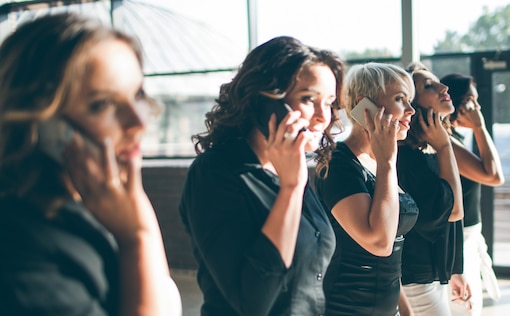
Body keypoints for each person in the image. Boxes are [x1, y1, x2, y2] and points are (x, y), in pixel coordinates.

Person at [0, 13, 181, 315]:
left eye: (137, 94)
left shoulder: (95, 202)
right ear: (42, 122)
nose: (139, 122)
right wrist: (137, 237)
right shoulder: (18, 248)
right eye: (102, 104)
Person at [178, 36, 344, 315]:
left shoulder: (293, 167)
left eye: (328, 103)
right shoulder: (214, 173)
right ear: (265, 102)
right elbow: (251, 300)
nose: (322, 117)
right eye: (308, 99)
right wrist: (291, 189)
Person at [315, 62, 418, 316]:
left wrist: (404, 309)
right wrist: (387, 162)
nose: (411, 110)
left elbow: (392, 254)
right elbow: (380, 243)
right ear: (365, 106)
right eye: (399, 99)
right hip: (344, 308)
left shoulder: (378, 162)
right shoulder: (338, 163)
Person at [397, 62, 468, 316]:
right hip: (415, 278)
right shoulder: (408, 157)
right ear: (412, 104)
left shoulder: (426, 149)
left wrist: (455, 270)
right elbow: (455, 210)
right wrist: (446, 147)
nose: (443, 87)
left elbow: (453, 220)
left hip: (433, 274)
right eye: (429, 86)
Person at [441, 73, 505, 315]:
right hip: (459, 238)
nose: (476, 107)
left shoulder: (454, 137)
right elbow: (494, 176)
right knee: (466, 308)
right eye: (470, 100)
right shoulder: (445, 141)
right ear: (454, 101)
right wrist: (480, 126)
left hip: (469, 236)